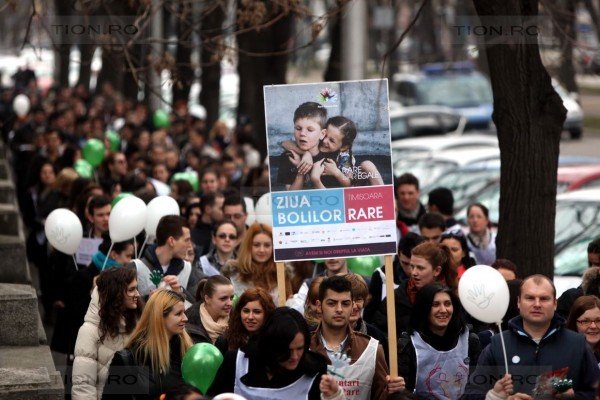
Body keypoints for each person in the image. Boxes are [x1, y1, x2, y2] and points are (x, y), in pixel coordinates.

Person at [464, 275, 600, 399]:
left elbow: (595, 393)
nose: (537, 304)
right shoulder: (498, 345)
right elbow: (470, 393)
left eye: (544, 298)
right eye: (530, 298)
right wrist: (494, 397)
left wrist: (572, 397)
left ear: (555, 304)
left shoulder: (577, 344)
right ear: (518, 302)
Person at [208, 307, 341, 400]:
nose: (294, 357)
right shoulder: (237, 362)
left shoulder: (314, 371)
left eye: (300, 349)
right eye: (287, 351)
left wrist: (334, 396)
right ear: (272, 345)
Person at [310, 276, 404, 400]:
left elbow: (381, 396)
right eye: (331, 303)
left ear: (352, 305)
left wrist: (392, 391)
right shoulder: (304, 346)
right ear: (319, 305)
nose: (339, 309)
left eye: (345, 303)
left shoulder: (372, 349)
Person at [102, 290, 193, 399]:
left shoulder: (186, 353)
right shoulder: (129, 360)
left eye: (184, 313)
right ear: (159, 317)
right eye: (178, 314)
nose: (185, 318)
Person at [397, 283, 481, 399]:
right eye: (435, 304)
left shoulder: (470, 341)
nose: (443, 310)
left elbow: (478, 386)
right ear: (424, 308)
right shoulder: (409, 344)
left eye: (447, 304)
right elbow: (402, 392)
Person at [72, 268, 141, 399]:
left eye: (136, 288)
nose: (137, 294)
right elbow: (83, 386)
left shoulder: (137, 324)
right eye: (131, 290)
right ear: (116, 293)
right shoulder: (89, 331)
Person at [372, 241, 457, 335]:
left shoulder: (454, 297)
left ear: (436, 271)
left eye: (420, 268)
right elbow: (379, 333)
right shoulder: (396, 298)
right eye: (412, 266)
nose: (414, 273)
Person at [282, 115, 383, 188]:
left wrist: (336, 172)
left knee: (367, 165)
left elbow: (348, 184)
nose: (325, 141)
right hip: (317, 189)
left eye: (332, 141)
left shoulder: (343, 155)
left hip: (342, 188)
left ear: (343, 146)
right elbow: (285, 143)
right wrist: (306, 153)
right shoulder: (315, 140)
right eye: (325, 135)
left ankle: (384, 198)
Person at [132, 215, 200, 304]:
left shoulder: (188, 269)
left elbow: (198, 307)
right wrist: (148, 299)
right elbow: (124, 305)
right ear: (171, 241)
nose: (189, 245)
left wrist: (180, 291)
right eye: (186, 240)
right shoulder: (136, 267)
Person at [223, 223, 292, 305]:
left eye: (267, 245)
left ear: (273, 247)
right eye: (256, 245)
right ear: (248, 247)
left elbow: (288, 304)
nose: (262, 250)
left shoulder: (281, 272)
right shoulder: (234, 273)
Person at [364, 233, 424, 323]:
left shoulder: (432, 275)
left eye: (417, 265)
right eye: (405, 263)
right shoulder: (382, 275)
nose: (411, 271)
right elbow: (369, 316)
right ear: (398, 255)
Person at [215, 287, 276, 354]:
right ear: (239, 312)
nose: (250, 317)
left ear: (267, 314)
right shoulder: (225, 341)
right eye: (246, 311)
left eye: (257, 312)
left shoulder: (276, 341)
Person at [185, 275, 234, 344]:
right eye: (223, 298)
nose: (230, 303)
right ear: (207, 299)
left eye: (231, 298)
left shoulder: (237, 320)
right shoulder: (187, 323)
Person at [567, 295, 600, 364]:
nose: (593, 326)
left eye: (598, 320)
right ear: (574, 323)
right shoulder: (559, 354)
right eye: (585, 321)